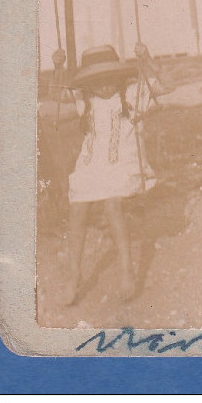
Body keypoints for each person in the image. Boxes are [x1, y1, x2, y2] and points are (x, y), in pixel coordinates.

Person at [61, 44, 155, 306]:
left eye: (109, 79)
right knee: (77, 211)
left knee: (112, 207)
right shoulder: (85, 102)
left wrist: (146, 59)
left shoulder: (132, 95)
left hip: (123, 163)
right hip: (91, 165)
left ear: (120, 76)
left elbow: (164, 86)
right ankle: (74, 277)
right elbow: (55, 95)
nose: (104, 87)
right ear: (88, 83)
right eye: (96, 81)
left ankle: (127, 271)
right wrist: (58, 67)